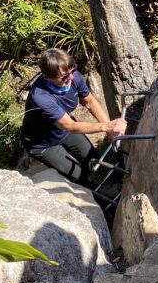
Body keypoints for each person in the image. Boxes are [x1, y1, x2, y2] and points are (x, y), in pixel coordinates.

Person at [21, 47, 127, 184]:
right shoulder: (40, 97)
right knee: (77, 175)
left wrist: (110, 129)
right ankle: (99, 200)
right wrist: (106, 127)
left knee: (93, 159)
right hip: (43, 143)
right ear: (47, 77)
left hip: (64, 129)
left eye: (72, 71)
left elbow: (89, 102)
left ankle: (113, 183)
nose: (70, 77)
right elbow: (69, 125)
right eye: (64, 76)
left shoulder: (73, 76)